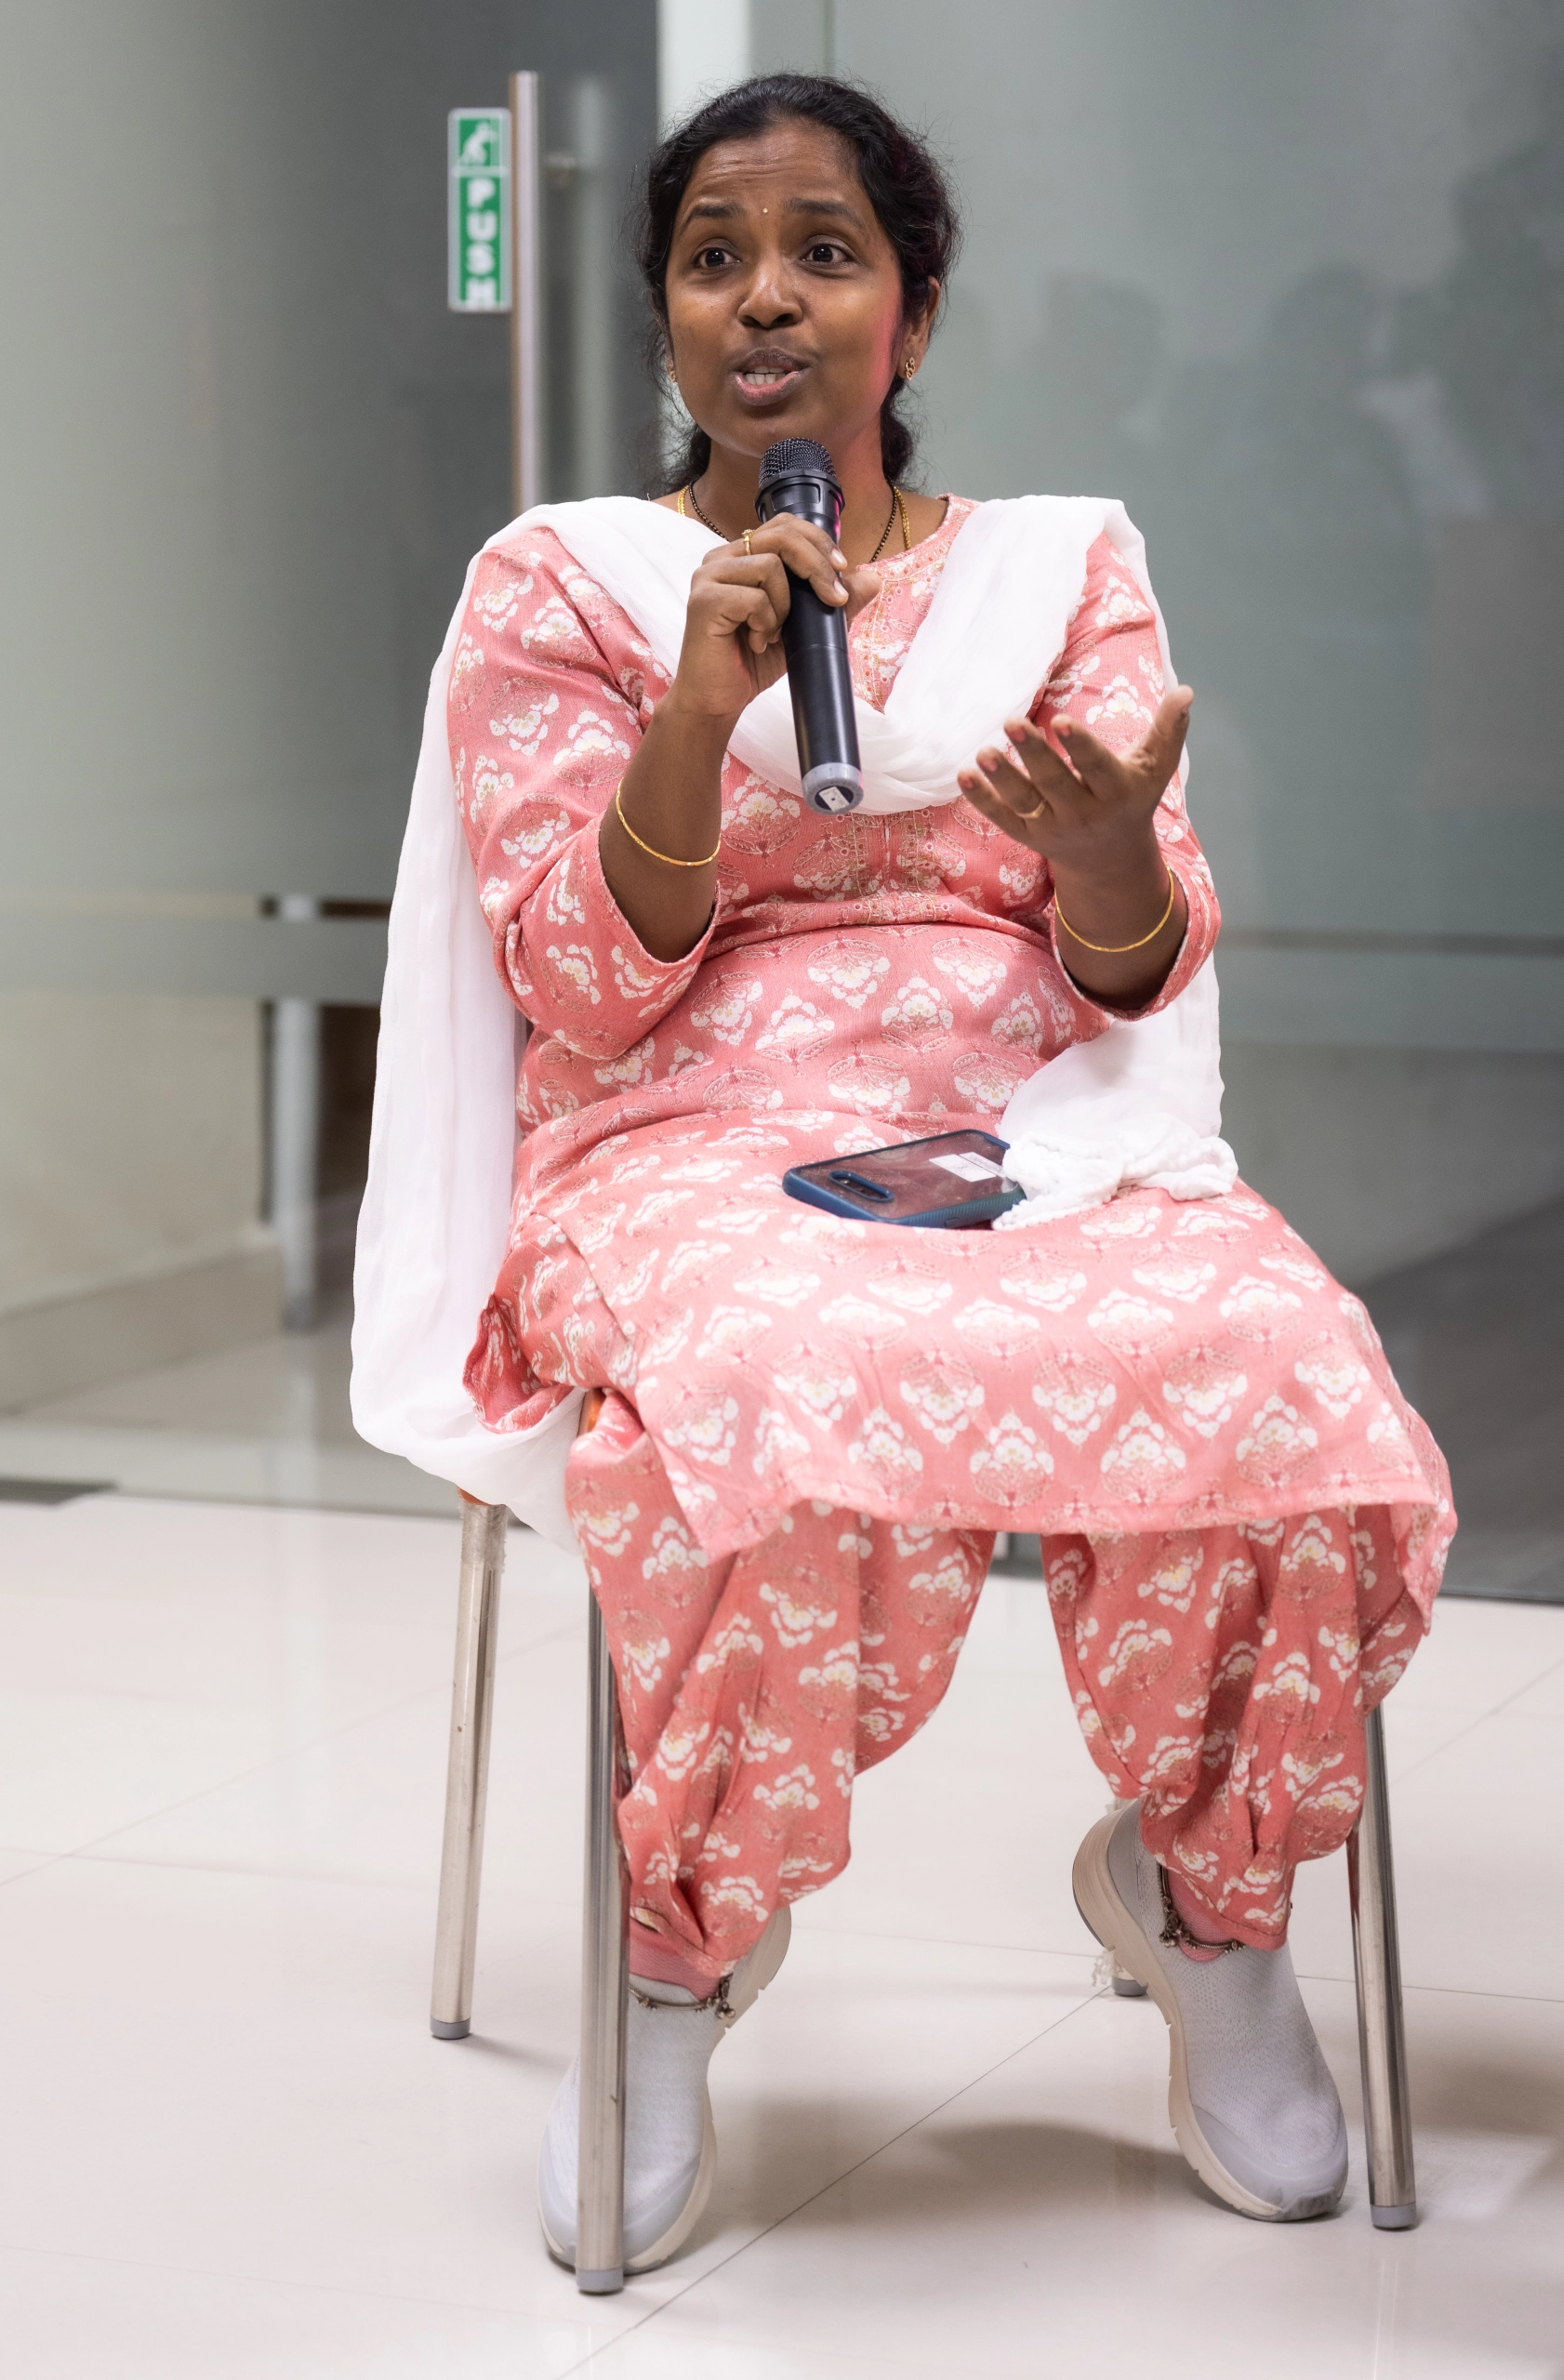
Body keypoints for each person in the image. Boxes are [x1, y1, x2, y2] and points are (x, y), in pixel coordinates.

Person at [446, 73, 1453, 2270]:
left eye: (825, 251)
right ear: (665, 320)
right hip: (683, 1133)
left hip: (1030, 1125)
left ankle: (1206, 1905)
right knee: (760, 1385)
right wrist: (692, 718)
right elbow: (574, 987)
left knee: (1280, 1368)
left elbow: (1136, 958)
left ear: (910, 309)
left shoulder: (1056, 571)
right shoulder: (567, 587)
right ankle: (681, 1948)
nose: (765, 298)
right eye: (713, 256)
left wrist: (1101, 855)